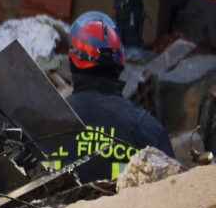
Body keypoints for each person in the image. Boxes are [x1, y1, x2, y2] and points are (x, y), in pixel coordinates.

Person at [52, 11, 172, 183]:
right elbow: (172, 192)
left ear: (72, 61)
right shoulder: (146, 128)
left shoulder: (46, 121)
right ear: (121, 62)